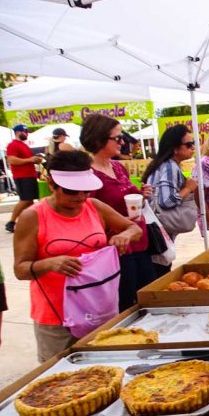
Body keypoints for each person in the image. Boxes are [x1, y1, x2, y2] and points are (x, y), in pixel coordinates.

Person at [13, 150, 141, 362]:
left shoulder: (94, 207)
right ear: (51, 184)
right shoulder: (33, 216)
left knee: (108, 368)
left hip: (99, 309)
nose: (81, 197)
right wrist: (50, 263)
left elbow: (133, 228)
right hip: (56, 317)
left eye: (86, 190)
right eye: (72, 191)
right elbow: (20, 270)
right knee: (60, 381)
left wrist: (124, 236)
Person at [80, 113, 155, 311]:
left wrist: (141, 195)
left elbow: (125, 198)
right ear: (98, 139)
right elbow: (87, 213)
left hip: (139, 241)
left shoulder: (118, 167)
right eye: (117, 138)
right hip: (117, 249)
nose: (123, 142)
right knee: (127, 304)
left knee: (148, 297)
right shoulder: (88, 174)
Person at [142, 125, 199, 274]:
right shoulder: (170, 166)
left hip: (152, 231)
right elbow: (166, 201)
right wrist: (189, 188)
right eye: (188, 144)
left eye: (193, 143)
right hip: (159, 235)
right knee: (160, 272)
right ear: (175, 148)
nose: (192, 147)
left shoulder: (160, 164)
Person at [5, 124, 42, 233]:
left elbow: (26, 159)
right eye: (25, 132)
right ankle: (11, 222)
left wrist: (35, 159)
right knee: (25, 200)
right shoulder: (13, 145)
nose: (27, 134)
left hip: (29, 175)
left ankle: (31, 222)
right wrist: (30, 160)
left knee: (30, 201)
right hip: (22, 176)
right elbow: (11, 160)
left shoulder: (23, 145)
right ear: (18, 132)